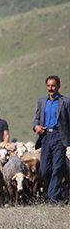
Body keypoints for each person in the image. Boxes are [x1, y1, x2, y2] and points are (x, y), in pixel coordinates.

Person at [33, 75, 70, 203]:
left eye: (53, 85)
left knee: (58, 167)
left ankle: (52, 198)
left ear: (58, 86)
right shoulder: (42, 102)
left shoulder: (66, 102)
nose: (50, 88)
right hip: (45, 137)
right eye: (48, 86)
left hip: (60, 137)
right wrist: (36, 127)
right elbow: (37, 119)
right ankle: (62, 193)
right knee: (44, 170)